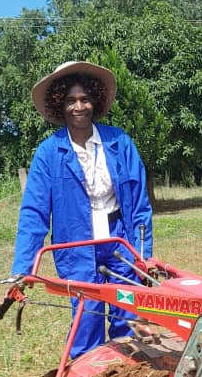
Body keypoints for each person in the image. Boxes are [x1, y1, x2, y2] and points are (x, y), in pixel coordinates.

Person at [11, 60, 153, 358]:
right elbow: (34, 213)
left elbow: (140, 205)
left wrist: (144, 256)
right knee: (87, 315)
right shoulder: (49, 153)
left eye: (85, 99)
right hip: (76, 243)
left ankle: (126, 374)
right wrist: (23, 269)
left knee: (126, 309)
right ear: (59, 105)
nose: (79, 107)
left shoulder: (120, 143)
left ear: (95, 102)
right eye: (71, 100)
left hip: (120, 240)